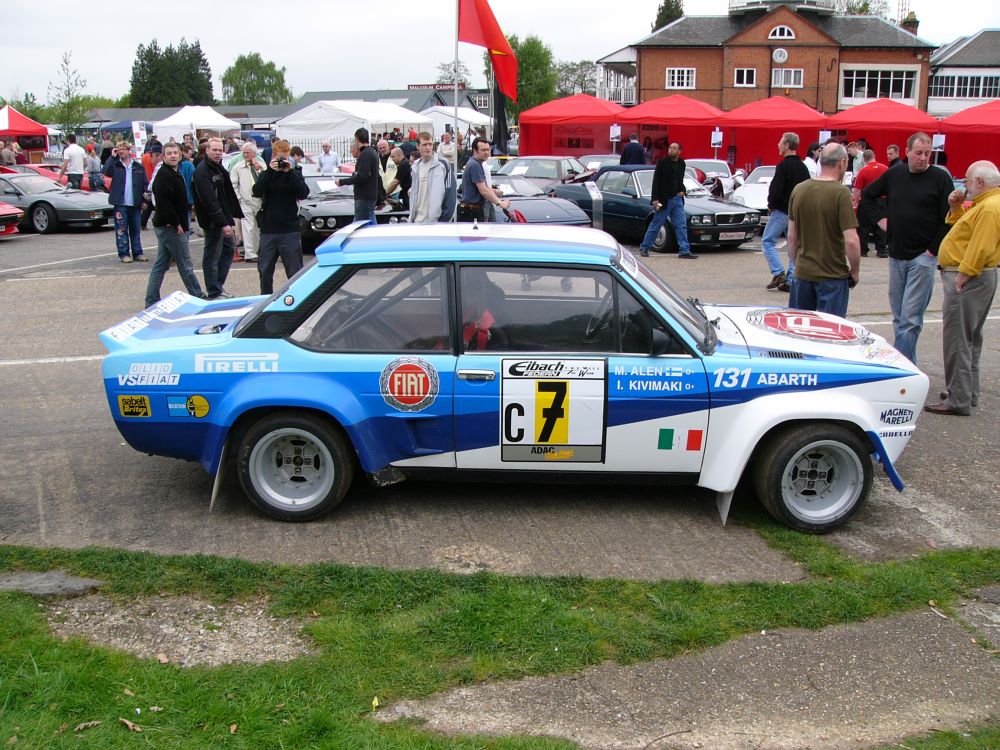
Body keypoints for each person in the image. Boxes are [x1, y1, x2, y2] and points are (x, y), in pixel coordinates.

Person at [862, 132, 953, 364]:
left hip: (922, 257)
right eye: (919, 153)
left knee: (910, 320)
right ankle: (908, 367)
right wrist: (881, 220)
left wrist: (932, 251)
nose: (923, 158)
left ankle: (897, 366)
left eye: (928, 153)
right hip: (896, 255)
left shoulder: (940, 178)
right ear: (907, 151)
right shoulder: (895, 174)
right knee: (899, 317)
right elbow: (868, 195)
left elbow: (949, 218)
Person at [923, 161, 1000, 416]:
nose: (964, 184)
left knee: (958, 339)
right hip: (977, 276)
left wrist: (964, 274)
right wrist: (956, 208)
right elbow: (966, 233)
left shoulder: (989, 208)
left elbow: (980, 246)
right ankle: (966, 392)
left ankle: (958, 398)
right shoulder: (985, 204)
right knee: (970, 338)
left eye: (967, 180)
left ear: (980, 182)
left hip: (970, 277)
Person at [785, 143, 860, 318]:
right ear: (842, 163)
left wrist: (798, 264)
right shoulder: (841, 193)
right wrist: (855, 271)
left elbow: (791, 237)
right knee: (831, 328)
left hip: (803, 274)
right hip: (832, 275)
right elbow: (851, 241)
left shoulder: (799, 190)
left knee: (800, 327)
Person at [145, 143, 205, 306]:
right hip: (169, 226)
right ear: (163, 156)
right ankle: (198, 296)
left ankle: (151, 299)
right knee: (185, 264)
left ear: (180, 155)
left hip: (171, 224)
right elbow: (163, 203)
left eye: (175, 153)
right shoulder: (164, 175)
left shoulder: (175, 173)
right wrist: (175, 222)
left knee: (161, 263)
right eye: (169, 153)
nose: (173, 156)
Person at [251, 139, 310, 295]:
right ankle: (265, 299)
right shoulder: (267, 174)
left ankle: (296, 300)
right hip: (269, 229)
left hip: (289, 230)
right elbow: (256, 191)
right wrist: (271, 171)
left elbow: (303, 193)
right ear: (274, 156)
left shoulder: (295, 174)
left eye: (285, 158)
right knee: (265, 271)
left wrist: (289, 172)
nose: (282, 162)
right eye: (280, 158)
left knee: (295, 272)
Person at [193, 137, 244, 299]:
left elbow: (225, 196)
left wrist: (230, 219)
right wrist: (223, 223)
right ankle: (214, 291)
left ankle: (217, 286)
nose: (217, 153)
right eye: (214, 150)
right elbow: (209, 201)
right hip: (212, 222)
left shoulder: (218, 168)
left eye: (220, 150)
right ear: (207, 150)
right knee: (212, 255)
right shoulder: (202, 171)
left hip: (223, 218)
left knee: (228, 250)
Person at [761, 132, 810, 290]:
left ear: (787, 145)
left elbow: (776, 189)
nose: (778, 145)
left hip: (782, 210)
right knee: (793, 244)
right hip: (798, 212)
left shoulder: (783, 166)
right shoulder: (803, 167)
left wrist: (771, 204)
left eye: (780, 142)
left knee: (768, 241)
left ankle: (778, 271)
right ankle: (791, 279)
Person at [638, 142, 695, 259]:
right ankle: (644, 247)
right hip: (664, 199)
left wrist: (683, 190)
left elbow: (680, 180)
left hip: (677, 199)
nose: (671, 150)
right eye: (670, 148)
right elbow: (656, 181)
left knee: (681, 225)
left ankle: (684, 250)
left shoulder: (681, 163)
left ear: (679, 151)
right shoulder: (663, 163)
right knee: (657, 223)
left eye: (674, 148)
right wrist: (655, 199)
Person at [104, 141, 148, 263]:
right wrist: (112, 157)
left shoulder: (138, 166)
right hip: (120, 203)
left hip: (135, 203)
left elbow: (145, 184)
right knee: (121, 229)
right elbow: (106, 171)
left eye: (123, 149)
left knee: (135, 229)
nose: (121, 151)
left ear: (129, 151)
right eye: (119, 149)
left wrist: (145, 200)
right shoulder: (116, 165)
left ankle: (138, 252)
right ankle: (124, 254)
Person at [230, 141, 266, 263]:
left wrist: (259, 170)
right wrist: (239, 198)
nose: (245, 155)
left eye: (247, 153)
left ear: (254, 153)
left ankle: (257, 250)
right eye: (243, 153)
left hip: (259, 201)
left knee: (257, 228)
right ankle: (250, 254)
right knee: (248, 228)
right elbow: (233, 184)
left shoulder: (262, 166)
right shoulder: (238, 167)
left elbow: (266, 180)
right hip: (245, 201)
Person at [458, 137, 509, 222]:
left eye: (488, 150)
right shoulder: (475, 165)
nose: (487, 153)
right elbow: (484, 190)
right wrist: (500, 203)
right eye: (483, 150)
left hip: (472, 210)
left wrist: (496, 192)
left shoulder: (477, 163)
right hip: (471, 212)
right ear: (475, 151)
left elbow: (483, 188)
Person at [409, 132, 455, 223]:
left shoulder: (443, 164)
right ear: (418, 146)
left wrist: (443, 222)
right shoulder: (415, 167)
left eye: (430, 144)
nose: (428, 147)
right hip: (417, 221)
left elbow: (450, 195)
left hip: (436, 223)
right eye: (424, 145)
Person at [337, 128, 380, 225]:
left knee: (358, 225)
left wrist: (342, 181)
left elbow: (362, 176)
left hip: (364, 196)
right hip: (370, 195)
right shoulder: (372, 152)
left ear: (357, 139)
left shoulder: (365, 154)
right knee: (371, 224)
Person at [853, 149, 888, 257]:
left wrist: (856, 201)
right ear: (874, 156)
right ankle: (881, 250)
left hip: (866, 201)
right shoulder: (885, 169)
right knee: (881, 226)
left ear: (864, 159)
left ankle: (863, 250)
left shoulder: (863, 171)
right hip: (882, 200)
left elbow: (857, 189)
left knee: (863, 227)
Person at [140, 143, 163, 229]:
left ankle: (142, 223)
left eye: (151, 155)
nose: (150, 158)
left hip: (152, 188)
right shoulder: (159, 166)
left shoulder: (160, 166)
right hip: (152, 188)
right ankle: (142, 223)